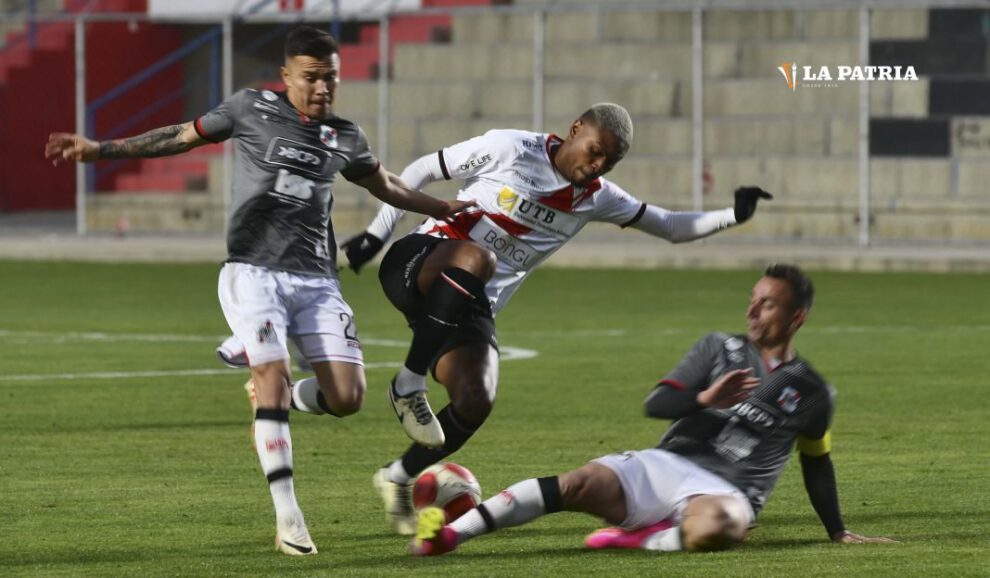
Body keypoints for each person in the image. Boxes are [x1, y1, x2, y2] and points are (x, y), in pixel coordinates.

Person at [44, 26, 473, 556]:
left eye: (330, 79)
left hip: (318, 279)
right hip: (254, 271)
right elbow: (181, 135)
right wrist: (100, 150)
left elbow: (384, 183)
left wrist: (440, 208)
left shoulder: (344, 135)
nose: (322, 89)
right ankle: (289, 516)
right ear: (287, 75)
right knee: (272, 374)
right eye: (312, 78)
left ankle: (261, 368)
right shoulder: (249, 108)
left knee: (347, 398)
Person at [337, 103, 773, 534]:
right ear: (575, 128)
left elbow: (671, 225)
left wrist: (734, 215)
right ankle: (409, 382)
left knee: (476, 398)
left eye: (610, 161)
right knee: (478, 256)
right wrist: (377, 234)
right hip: (420, 261)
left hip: (467, 302)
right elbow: (421, 170)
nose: (598, 165)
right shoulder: (510, 147)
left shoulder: (599, 198)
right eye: (595, 150)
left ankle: (398, 475)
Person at [409, 264, 897, 556]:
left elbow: (817, 462)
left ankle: (636, 539)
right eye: (752, 300)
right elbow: (657, 404)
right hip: (665, 465)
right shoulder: (717, 347)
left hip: (729, 493)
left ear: (797, 317)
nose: (752, 311)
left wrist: (837, 530)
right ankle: (450, 534)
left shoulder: (810, 390)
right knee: (575, 483)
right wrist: (705, 399)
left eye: (767, 305)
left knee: (722, 525)